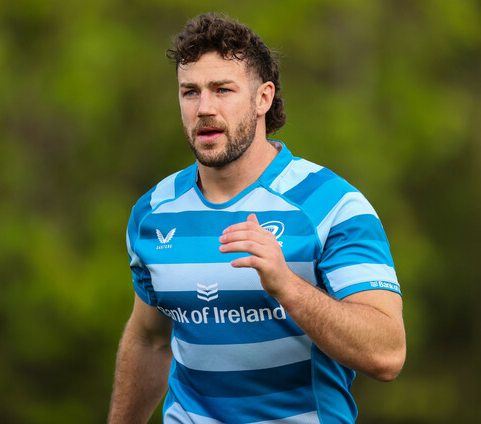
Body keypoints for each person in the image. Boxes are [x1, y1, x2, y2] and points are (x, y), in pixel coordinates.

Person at [108, 13, 406, 424]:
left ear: (263, 98)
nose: (204, 108)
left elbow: (387, 354)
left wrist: (289, 288)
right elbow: (150, 340)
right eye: (190, 92)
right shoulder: (153, 212)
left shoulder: (333, 205)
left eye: (222, 90)